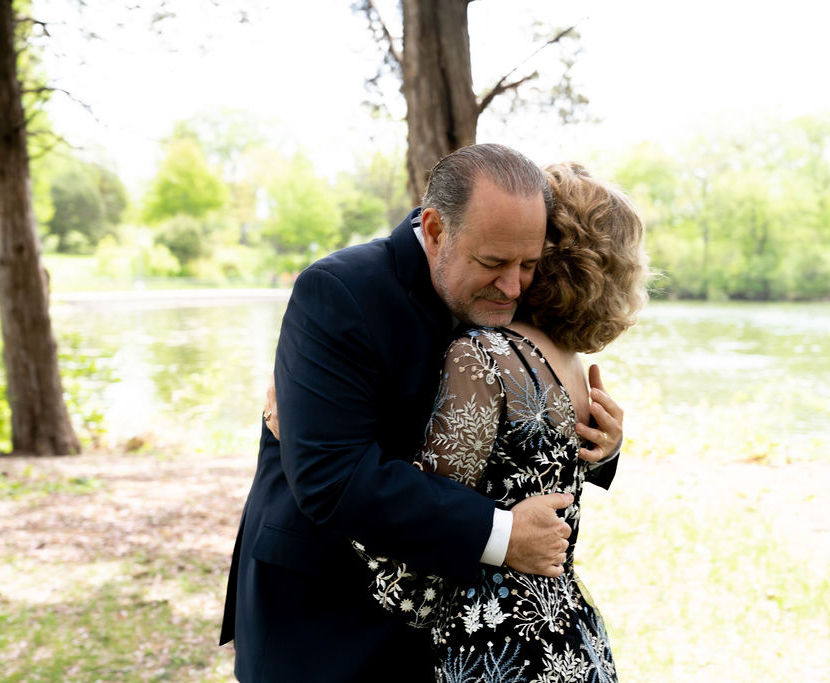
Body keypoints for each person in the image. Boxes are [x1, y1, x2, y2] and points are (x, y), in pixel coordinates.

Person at [220, 144, 625, 682]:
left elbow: (519, 428)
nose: (513, 285)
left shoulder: (507, 285)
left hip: (446, 616)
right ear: (435, 231)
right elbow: (329, 477)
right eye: (494, 264)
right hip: (324, 609)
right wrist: (502, 534)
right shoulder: (339, 291)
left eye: (529, 265)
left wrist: (601, 446)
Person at [352, 161, 650, 681]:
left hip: (499, 652)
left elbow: (415, 571)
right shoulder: (575, 366)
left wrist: (314, 451)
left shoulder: (484, 357)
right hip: (574, 642)